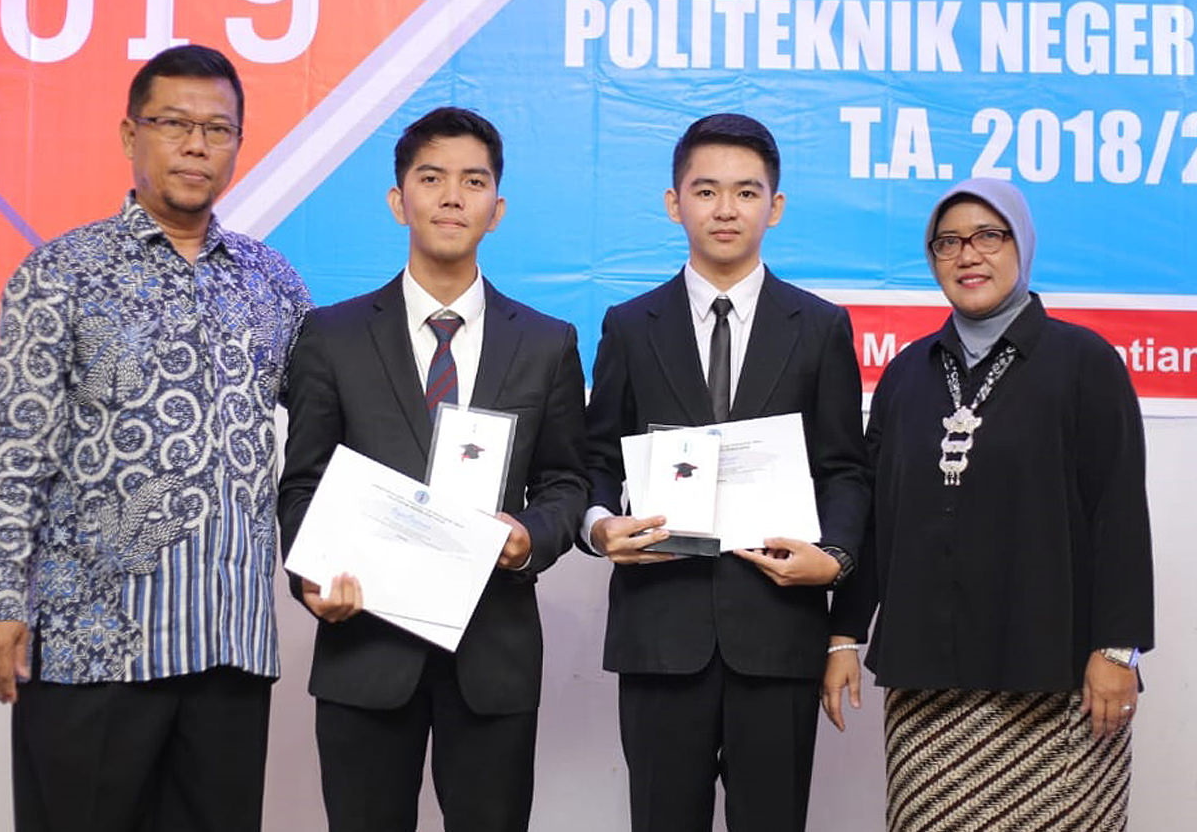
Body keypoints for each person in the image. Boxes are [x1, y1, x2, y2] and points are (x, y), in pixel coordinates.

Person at [0, 45, 312, 831]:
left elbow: (331, 435)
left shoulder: (275, 283)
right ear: (129, 134)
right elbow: (15, 451)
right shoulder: (61, 272)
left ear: (237, 145)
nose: (196, 144)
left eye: (217, 129)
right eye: (174, 124)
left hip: (228, 645)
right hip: (93, 646)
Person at [277, 106, 589, 832]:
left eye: (473, 181)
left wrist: (531, 536)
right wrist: (310, 575)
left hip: (493, 656)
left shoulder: (547, 342)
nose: (453, 196)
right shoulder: (332, 335)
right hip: (365, 648)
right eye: (432, 178)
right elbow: (302, 482)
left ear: (496, 209)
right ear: (399, 201)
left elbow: (568, 482)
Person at [824, 177, 1153, 831]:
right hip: (930, 691)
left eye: (987, 236)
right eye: (947, 242)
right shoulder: (907, 372)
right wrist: (843, 632)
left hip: (1057, 681)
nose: (967, 254)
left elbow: (1118, 512)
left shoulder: (1084, 362)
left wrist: (1119, 651)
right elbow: (875, 513)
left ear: (1021, 244)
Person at [580, 113, 870, 832]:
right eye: (706, 190)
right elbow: (592, 460)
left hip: (777, 633)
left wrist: (833, 561)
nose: (725, 208)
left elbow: (844, 471)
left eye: (746, 192)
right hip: (660, 633)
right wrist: (598, 525)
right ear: (675, 202)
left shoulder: (821, 325)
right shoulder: (628, 323)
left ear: (774, 206)